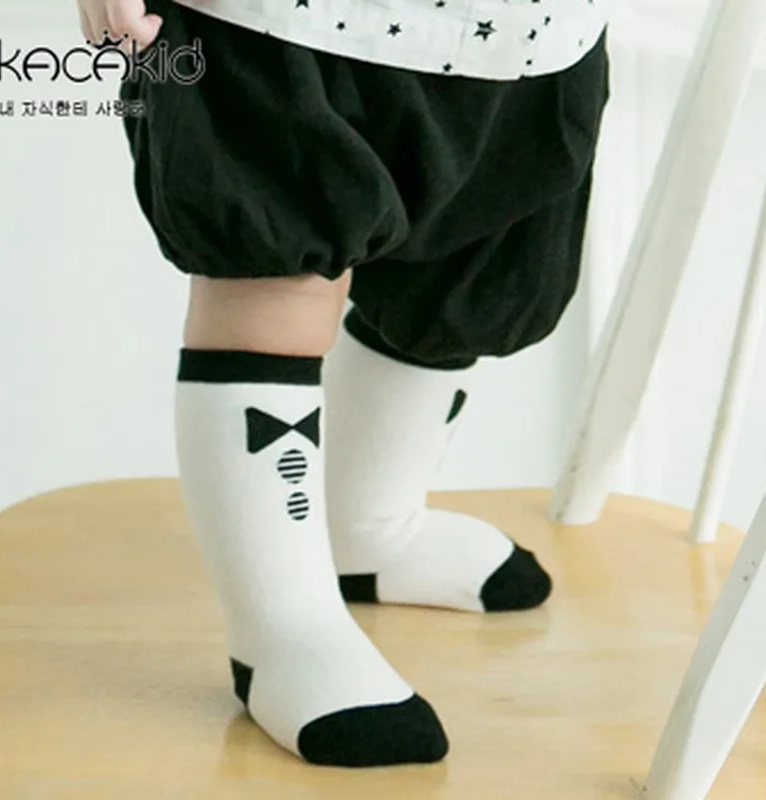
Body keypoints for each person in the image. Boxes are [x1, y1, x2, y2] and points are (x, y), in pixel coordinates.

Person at [77, 0, 611, 769]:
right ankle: (285, 626)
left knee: (472, 265)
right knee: (273, 271)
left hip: (529, 32)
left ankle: (369, 521)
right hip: (276, 25)